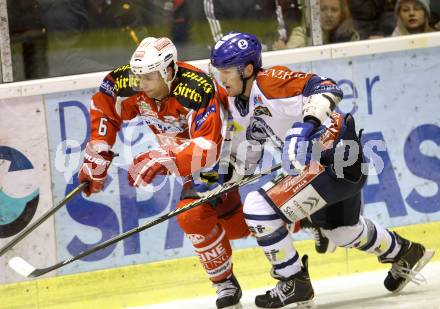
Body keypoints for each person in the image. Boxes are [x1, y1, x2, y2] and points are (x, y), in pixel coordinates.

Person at [210, 32, 435, 308]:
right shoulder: (237, 102)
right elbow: (248, 152)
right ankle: (406, 252)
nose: (222, 78)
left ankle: (292, 281)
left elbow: (328, 87)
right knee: (342, 231)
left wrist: (305, 126)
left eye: (226, 71)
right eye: (218, 71)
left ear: (246, 70)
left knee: (258, 206)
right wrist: (223, 179)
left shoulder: (270, 82)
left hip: (336, 157)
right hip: (327, 164)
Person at [77, 36, 251, 309]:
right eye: (138, 76)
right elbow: (105, 107)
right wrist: (97, 155)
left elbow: (208, 148)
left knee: (192, 213)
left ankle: (226, 284)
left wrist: (164, 158)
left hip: (229, 153)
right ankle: (300, 221)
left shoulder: (197, 88)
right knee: (236, 226)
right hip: (189, 162)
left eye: (148, 77)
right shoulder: (132, 83)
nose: (140, 84)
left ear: (168, 71)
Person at [273, 0, 358, 50]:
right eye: (323, 9)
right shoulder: (303, 35)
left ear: (342, 14)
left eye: (334, 10)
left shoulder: (347, 34)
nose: (329, 14)